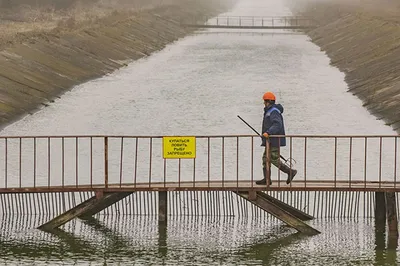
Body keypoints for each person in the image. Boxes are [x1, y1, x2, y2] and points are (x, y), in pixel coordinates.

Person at [256, 91, 297, 185]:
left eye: (264, 101)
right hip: (270, 140)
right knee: (265, 158)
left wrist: (268, 132)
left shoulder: (273, 111)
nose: (263, 103)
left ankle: (290, 171)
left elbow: (277, 124)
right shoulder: (271, 110)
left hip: (274, 140)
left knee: (273, 158)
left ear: (268, 102)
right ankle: (267, 179)